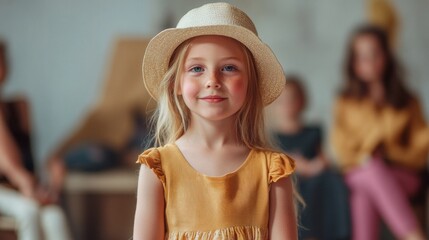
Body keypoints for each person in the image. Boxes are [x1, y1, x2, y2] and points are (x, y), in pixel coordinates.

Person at [133, 3, 297, 239]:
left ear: (251, 84)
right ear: (176, 83)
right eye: (197, 68)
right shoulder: (157, 169)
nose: (212, 80)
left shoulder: (273, 170)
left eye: (229, 67)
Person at [330, 24, 429, 240]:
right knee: (371, 172)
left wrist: (390, 155)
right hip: (358, 172)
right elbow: (341, 149)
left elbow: (422, 148)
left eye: (374, 54)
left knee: (368, 187)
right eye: (361, 56)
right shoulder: (345, 102)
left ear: (386, 56)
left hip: (403, 174)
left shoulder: (408, 101)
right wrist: (369, 154)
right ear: (353, 63)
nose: (369, 62)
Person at [0, 40, 72, 240]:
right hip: (5, 189)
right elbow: (10, 165)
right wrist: (29, 187)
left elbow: (29, 155)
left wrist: (49, 183)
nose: (3, 66)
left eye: (4, 60)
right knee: (29, 213)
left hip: (26, 182)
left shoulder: (20, 105)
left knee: (54, 218)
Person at [271, 75, 350, 240]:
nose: (287, 105)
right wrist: (298, 165)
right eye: (282, 101)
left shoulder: (314, 131)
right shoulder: (272, 137)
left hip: (316, 177)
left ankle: (335, 235)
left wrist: (317, 166)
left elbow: (325, 157)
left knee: (331, 179)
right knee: (298, 185)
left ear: (302, 101)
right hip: (292, 179)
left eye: (291, 100)